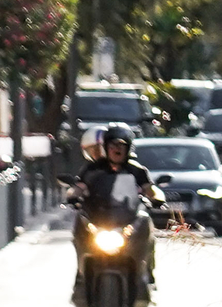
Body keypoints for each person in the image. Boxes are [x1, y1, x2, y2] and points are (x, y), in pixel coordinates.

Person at [69, 123, 160, 286]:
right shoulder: (92, 168)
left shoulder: (136, 170)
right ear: (106, 147)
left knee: (146, 221)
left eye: (121, 146)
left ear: (128, 148)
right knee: (79, 221)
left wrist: (158, 199)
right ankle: (81, 272)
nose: (117, 149)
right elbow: (78, 188)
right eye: (113, 145)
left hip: (126, 215)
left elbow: (151, 189)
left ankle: (147, 272)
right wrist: (72, 197)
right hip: (99, 215)